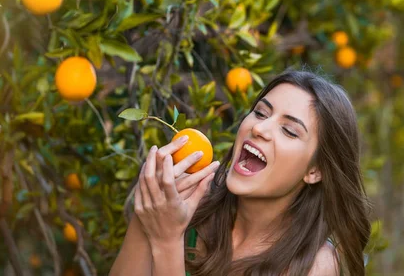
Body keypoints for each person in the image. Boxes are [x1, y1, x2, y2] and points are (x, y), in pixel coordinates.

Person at [110, 70, 371, 276]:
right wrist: (148, 211)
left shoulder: (313, 266)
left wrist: (166, 241)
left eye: (289, 130)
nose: (261, 128)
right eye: (260, 112)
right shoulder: (185, 206)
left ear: (315, 171)